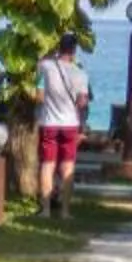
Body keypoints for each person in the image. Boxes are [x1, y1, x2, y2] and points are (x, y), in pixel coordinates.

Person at [35, 33, 90, 221]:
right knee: (67, 168)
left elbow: (39, 96)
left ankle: (46, 210)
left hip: (49, 123)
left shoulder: (46, 67)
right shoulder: (80, 73)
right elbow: (82, 102)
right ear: (74, 50)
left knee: (47, 166)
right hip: (70, 125)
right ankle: (65, 211)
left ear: (59, 47)